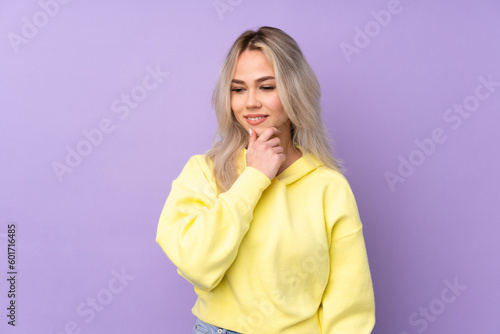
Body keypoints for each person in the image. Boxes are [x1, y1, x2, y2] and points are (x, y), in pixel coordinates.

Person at [156, 26, 375, 333]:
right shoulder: (204, 171)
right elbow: (196, 264)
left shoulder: (328, 188)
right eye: (238, 89)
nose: (250, 102)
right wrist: (254, 177)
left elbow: (350, 305)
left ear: (294, 91)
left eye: (267, 87)